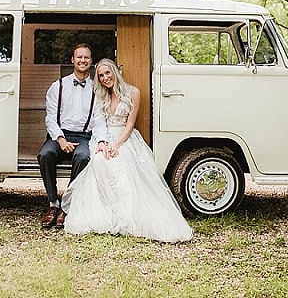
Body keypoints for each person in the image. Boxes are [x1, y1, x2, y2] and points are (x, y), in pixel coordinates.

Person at [61, 58, 193, 243]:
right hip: (104, 137)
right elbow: (99, 122)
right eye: (101, 76)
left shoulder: (133, 92)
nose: (105, 78)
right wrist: (104, 143)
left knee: (122, 163)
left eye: (108, 73)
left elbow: (130, 124)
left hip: (124, 137)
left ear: (115, 72)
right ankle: (107, 213)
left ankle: (126, 214)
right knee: (99, 161)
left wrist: (117, 145)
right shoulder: (101, 95)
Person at [38, 43, 107, 228]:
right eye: (79, 57)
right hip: (59, 135)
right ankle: (53, 204)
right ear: (73, 60)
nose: (83, 60)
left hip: (84, 137)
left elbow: (100, 120)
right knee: (45, 155)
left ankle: (67, 207)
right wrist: (61, 140)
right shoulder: (57, 86)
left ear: (91, 61)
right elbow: (50, 118)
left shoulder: (97, 90)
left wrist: (101, 141)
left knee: (84, 156)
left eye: (86, 57)